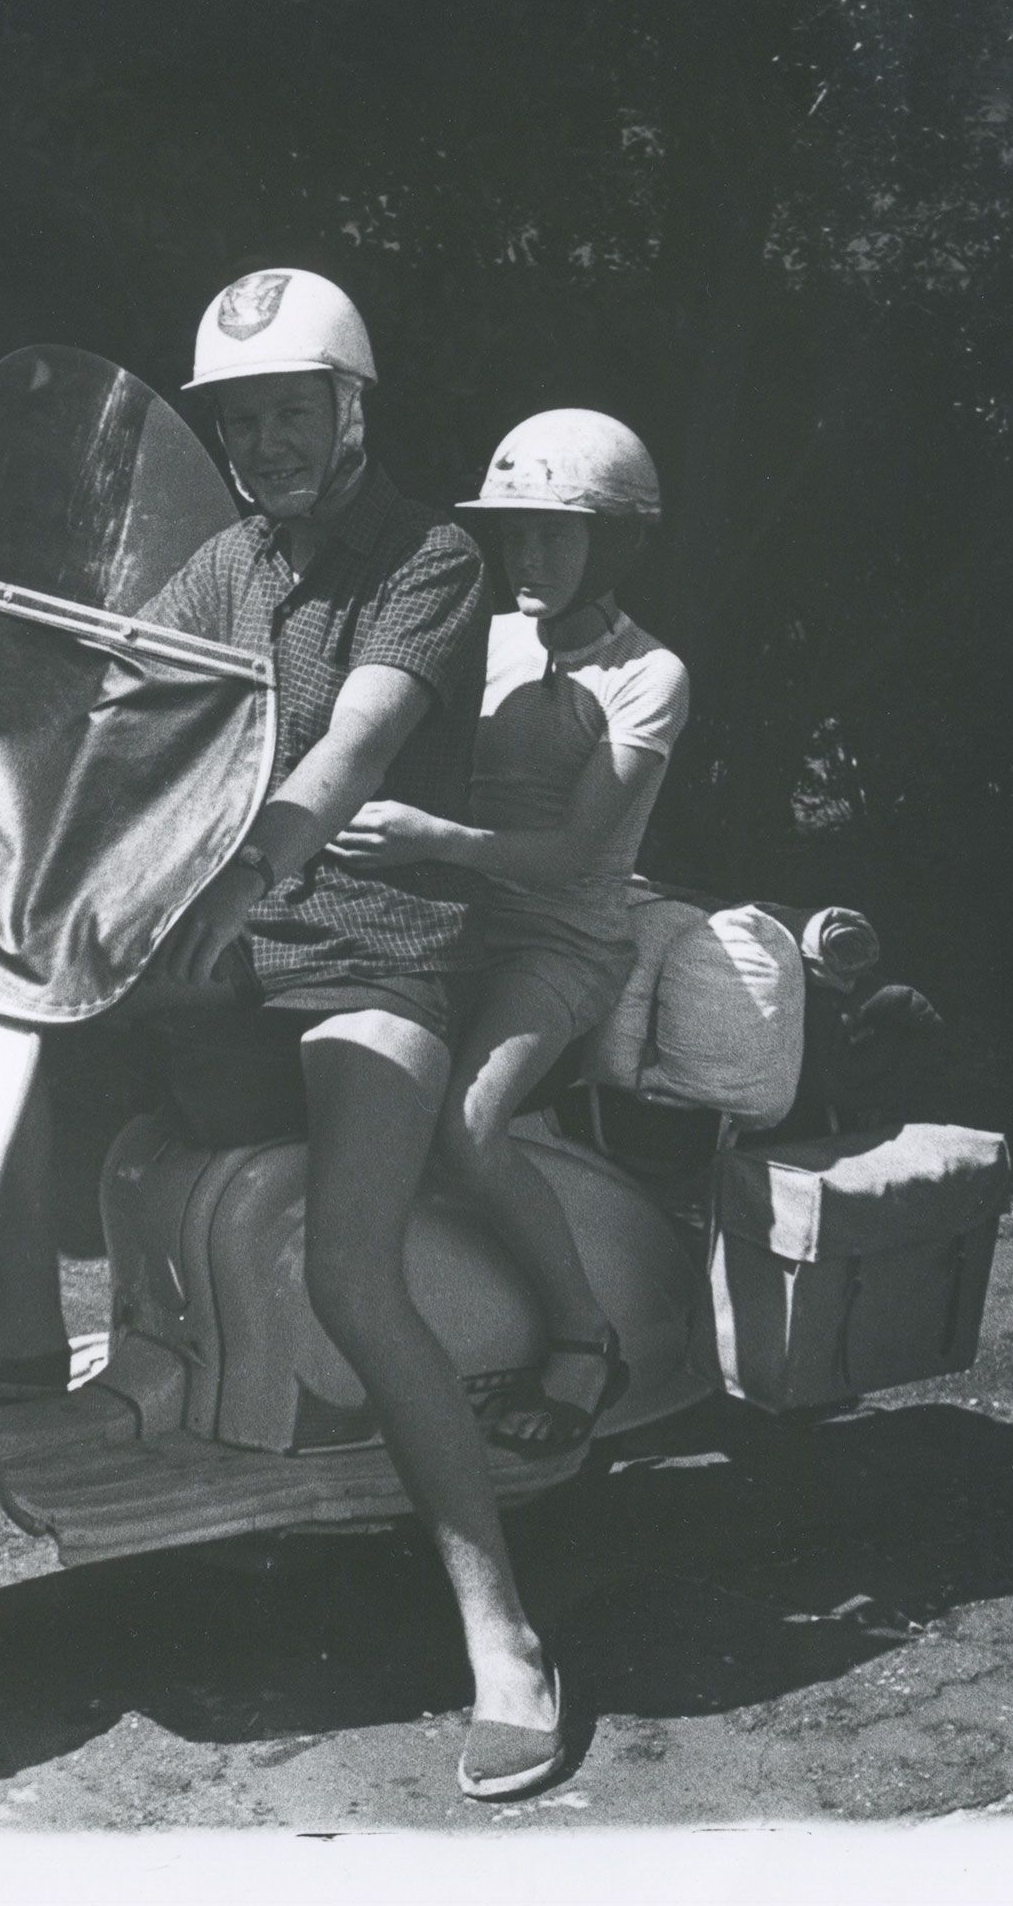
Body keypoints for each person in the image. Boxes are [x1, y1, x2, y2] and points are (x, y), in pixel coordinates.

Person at [121, 271, 578, 1801]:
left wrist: (263, 859)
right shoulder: (227, 563)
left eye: (288, 411)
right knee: (25, 1088)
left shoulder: (427, 556)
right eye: (237, 418)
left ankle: (503, 1633)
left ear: (350, 408)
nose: (263, 440)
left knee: (350, 1263)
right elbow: (121, 695)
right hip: (228, 950)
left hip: (374, 955)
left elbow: (354, 740)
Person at [331, 409, 689, 1461]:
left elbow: (579, 853)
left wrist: (431, 838)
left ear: (615, 541)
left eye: (554, 533)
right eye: (514, 532)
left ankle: (584, 1335)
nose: (526, 556)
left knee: (472, 1125)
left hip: (557, 945)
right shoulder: (476, 635)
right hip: (438, 915)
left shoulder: (646, 675)